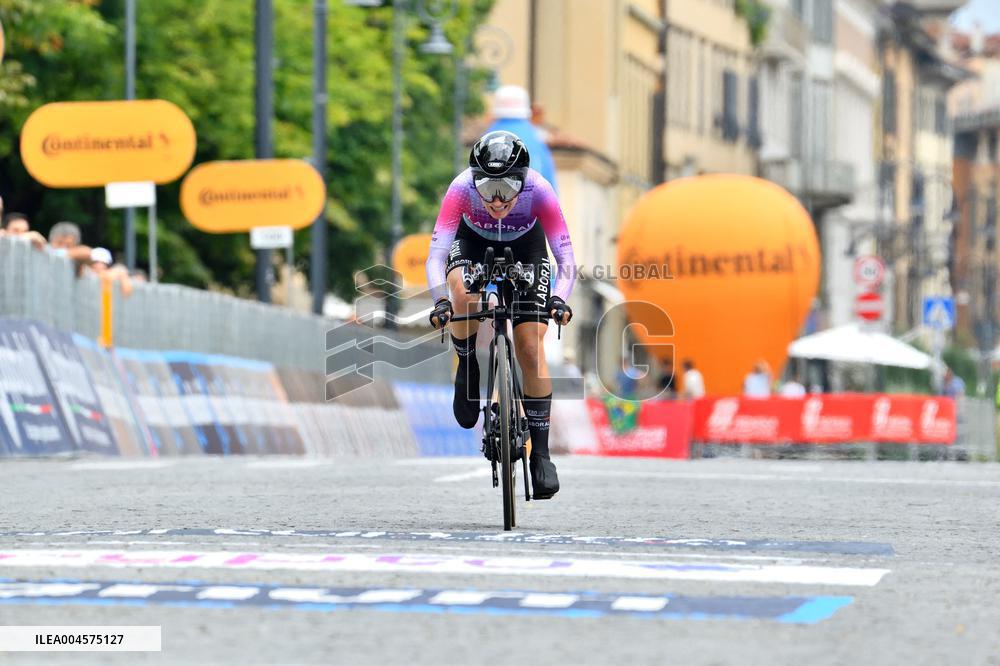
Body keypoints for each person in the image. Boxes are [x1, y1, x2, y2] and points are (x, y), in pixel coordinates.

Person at [426, 130, 575, 500]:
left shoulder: (539, 190)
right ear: (473, 179)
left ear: (523, 182)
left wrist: (558, 299)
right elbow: (435, 256)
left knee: (529, 346)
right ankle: (467, 367)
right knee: (464, 293)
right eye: (486, 186)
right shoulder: (460, 189)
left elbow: (566, 260)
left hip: (527, 248)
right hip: (472, 242)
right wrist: (440, 301)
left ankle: (540, 454)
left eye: (508, 187)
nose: (496, 199)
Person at [487, 85, 558, 193]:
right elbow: (549, 186)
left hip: (491, 203)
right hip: (533, 205)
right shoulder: (536, 139)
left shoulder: (487, 138)